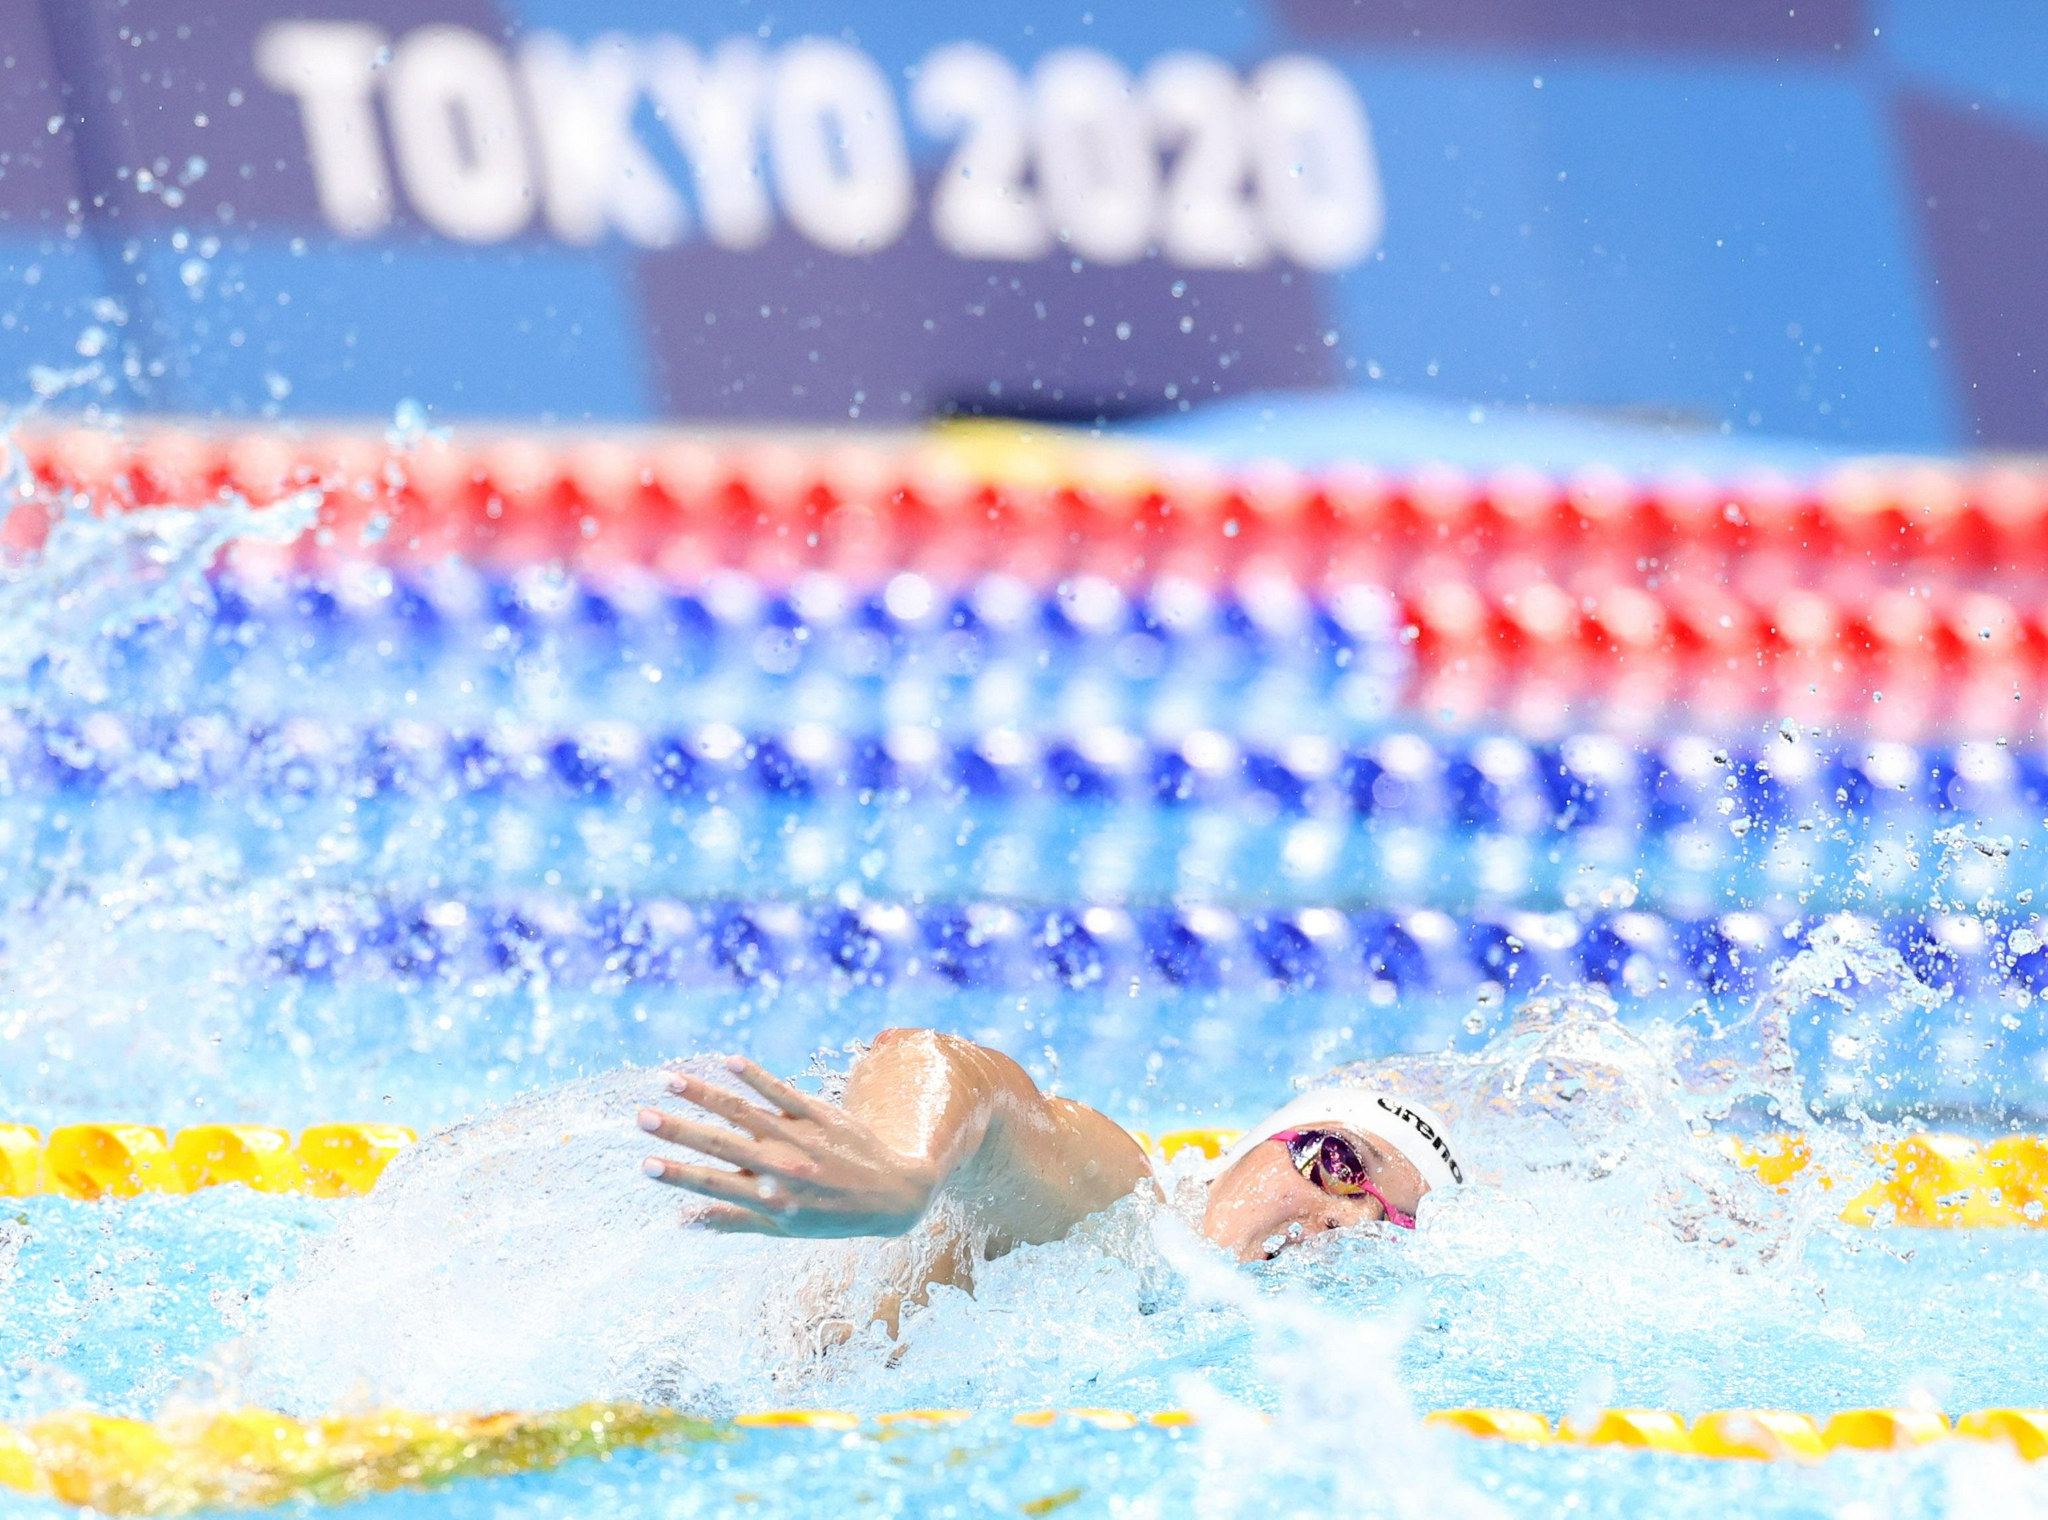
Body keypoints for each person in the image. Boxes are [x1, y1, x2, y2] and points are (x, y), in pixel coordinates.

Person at [637, 1028, 1462, 1305]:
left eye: (1385, 1227)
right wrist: (900, 1167)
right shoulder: (1126, 1207)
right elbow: (944, 1066)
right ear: (1245, 1151)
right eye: (1343, 1164)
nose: (1341, 1220)